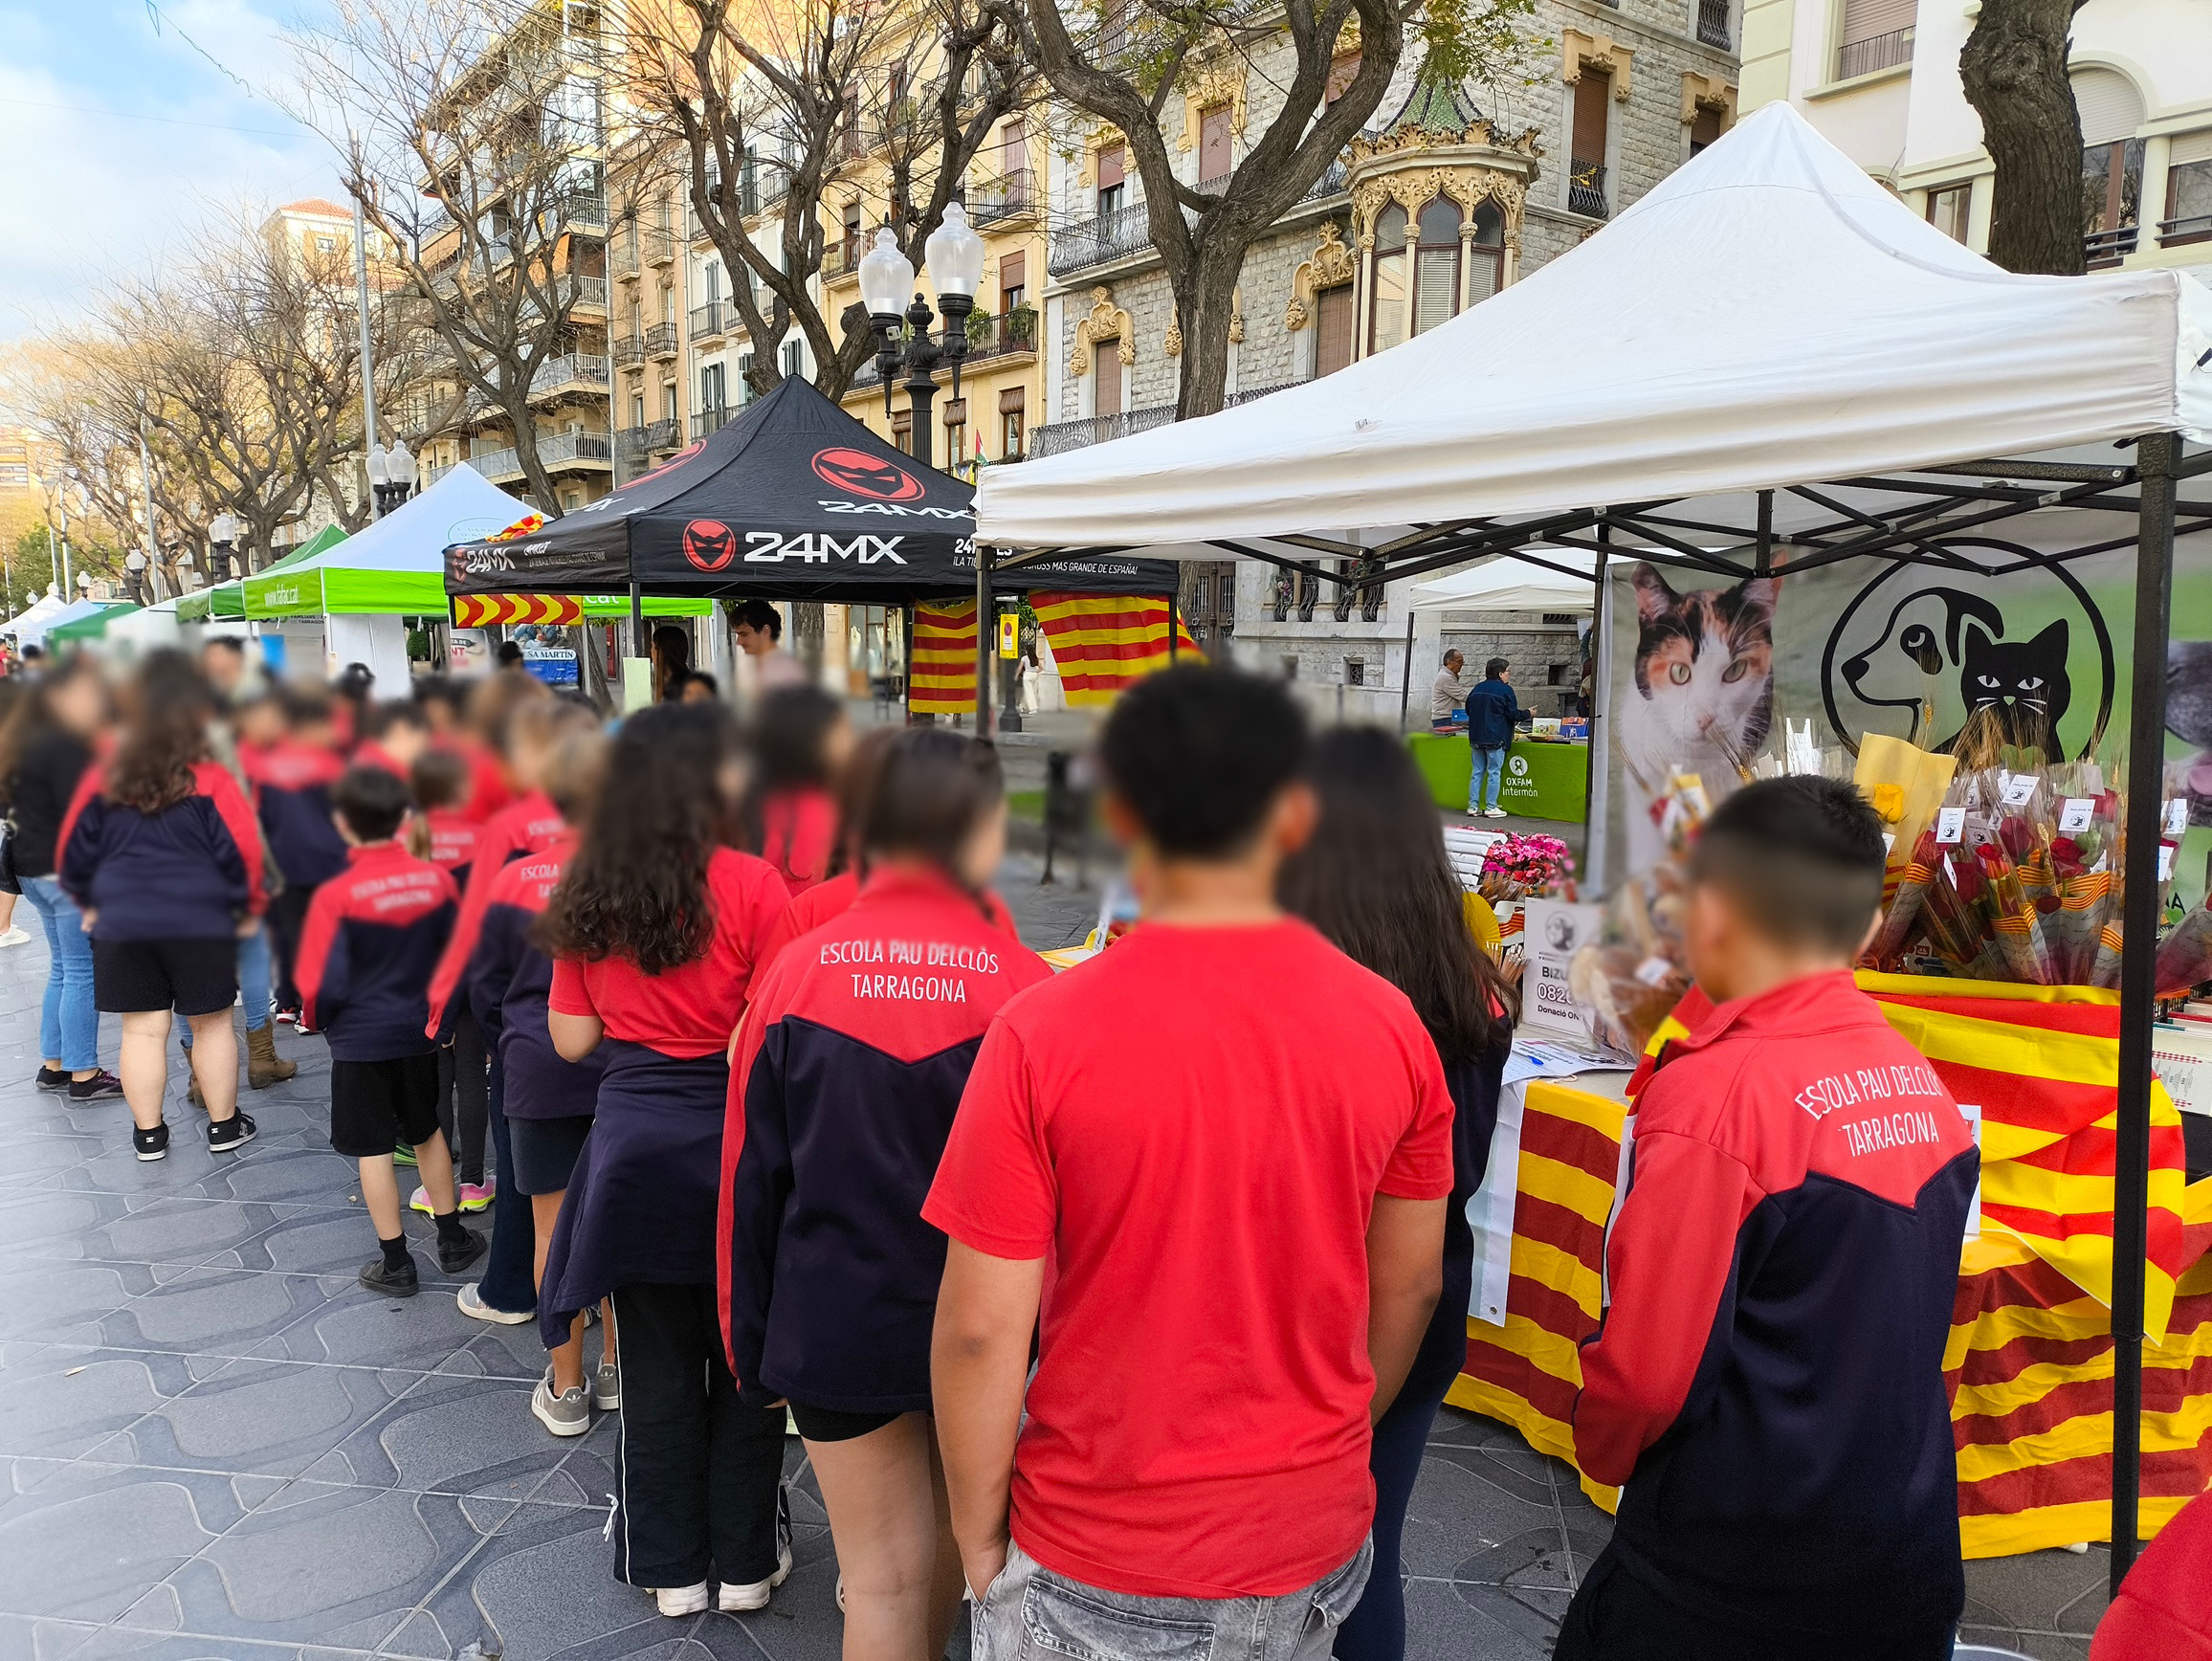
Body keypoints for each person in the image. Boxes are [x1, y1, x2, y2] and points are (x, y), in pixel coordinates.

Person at [927, 664, 1453, 1655]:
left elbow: (977, 1331)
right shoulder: (1393, 1026)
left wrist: (977, 1538)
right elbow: (1411, 1284)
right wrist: (1322, 1445)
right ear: (1295, 818)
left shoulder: (1040, 1033)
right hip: (1310, 1539)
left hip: (1102, 1542)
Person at [1556, 777, 1978, 1661]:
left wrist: (1602, 1444)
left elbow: (1646, 1381)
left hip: (1732, 1576)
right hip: (1903, 1552)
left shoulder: (1715, 1100)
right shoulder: (1922, 1085)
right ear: (1869, 929)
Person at [725, 728, 1049, 1661]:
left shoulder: (793, 978)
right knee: (950, 1551)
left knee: (878, 1581)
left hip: (831, 1325)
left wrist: (751, 1351)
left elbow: (747, 1184)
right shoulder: (1027, 987)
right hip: (988, 1328)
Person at [537, 703, 792, 1618]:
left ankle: (670, 1568)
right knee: (746, 1360)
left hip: (634, 1153)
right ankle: (747, 1563)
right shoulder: (756, 884)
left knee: (653, 1366)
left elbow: (571, 1039)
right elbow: (778, 1029)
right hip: (736, 1148)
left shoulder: (590, 883)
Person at [1279, 727, 1515, 1661]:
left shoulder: (1315, 997)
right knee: (1369, 1552)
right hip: (1426, 1306)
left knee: (1274, 1563)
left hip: (1317, 1313)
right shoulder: (1474, 985)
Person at [460, 723, 615, 1434]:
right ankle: (616, 1367)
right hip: (619, 1070)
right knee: (614, 1225)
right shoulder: (632, 875)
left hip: (536, 1068)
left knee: (552, 1234)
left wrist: (512, 1041)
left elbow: (485, 984)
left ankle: (567, 1386)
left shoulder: (511, 879)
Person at [57, 651, 264, 1162]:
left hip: (122, 919)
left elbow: (72, 853)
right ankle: (224, 1126)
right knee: (211, 1023)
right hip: (199, 918)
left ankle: (148, 1135)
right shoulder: (209, 775)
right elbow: (245, 851)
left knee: (142, 1029)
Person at [294, 765, 482, 1296]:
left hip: (358, 1040)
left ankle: (396, 1262)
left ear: (342, 823)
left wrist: (316, 1021)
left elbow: (318, 980)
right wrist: (443, 1020)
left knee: (373, 1148)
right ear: (402, 816)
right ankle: (453, 1239)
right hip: (416, 1031)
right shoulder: (435, 880)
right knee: (427, 1130)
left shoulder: (334, 893)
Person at [0, 658, 121, 1099]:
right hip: (65, 870)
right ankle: (84, 1073)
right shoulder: (67, 744)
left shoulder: (21, 739)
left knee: (64, 967)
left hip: (30, 867)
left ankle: (54, 1065)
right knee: (82, 971)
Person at [409, 746, 489, 1212]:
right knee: (472, 1075)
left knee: (437, 1081)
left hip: (429, 979)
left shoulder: (416, 839)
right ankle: (474, 1181)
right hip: (475, 974)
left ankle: (435, 1187)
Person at [246, 688, 348, 1024]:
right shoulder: (331, 764)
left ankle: (290, 1003)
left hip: (284, 863)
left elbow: (260, 819)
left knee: (290, 934)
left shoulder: (265, 766)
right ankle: (316, 1006)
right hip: (331, 862)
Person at [750, 684, 850, 896]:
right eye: (841, 731)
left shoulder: (760, 798)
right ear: (811, 743)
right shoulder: (814, 811)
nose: (849, 741)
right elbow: (799, 901)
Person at [1464, 656, 1527, 819]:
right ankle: (1491, 806)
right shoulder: (1506, 690)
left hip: (1476, 736)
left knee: (1477, 771)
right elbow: (1513, 714)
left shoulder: (1477, 688)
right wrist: (1528, 713)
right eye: (1507, 672)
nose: (1509, 674)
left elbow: (1468, 710)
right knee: (1494, 772)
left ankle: (1473, 806)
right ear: (1500, 674)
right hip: (1496, 738)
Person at [732, 599, 807, 689]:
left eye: (744, 634)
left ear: (765, 631)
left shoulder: (786, 674)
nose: (739, 642)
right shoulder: (754, 669)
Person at [353, 699, 431, 782]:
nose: (425, 749)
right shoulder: (383, 776)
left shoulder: (364, 760)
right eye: (422, 741)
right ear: (401, 730)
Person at [199, 635, 263, 704]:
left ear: (236, 656)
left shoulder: (254, 689)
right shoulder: (216, 687)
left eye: (215, 655)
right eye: (207, 656)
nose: (209, 661)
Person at [1429, 649, 1471, 729]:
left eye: (1462, 662)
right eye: (1459, 662)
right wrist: (1479, 698)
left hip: (1449, 717)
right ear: (1449, 662)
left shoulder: (1450, 675)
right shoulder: (1445, 677)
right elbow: (1463, 696)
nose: (1461, 665)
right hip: (1444, 719)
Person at [652, 624, 693, 702]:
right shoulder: (685, 681)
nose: (651, 651)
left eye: (652, 647)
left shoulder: (677, 687)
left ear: (661, 651)